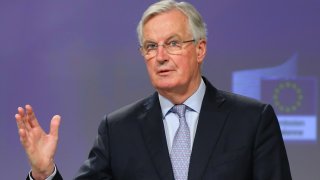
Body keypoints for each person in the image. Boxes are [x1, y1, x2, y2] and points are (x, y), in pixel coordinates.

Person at [15, 0, 292, 179]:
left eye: (172, 43)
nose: (160, 56)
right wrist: (44, 173)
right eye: (150, 47)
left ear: (200, 49)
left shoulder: (252, 120)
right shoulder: (119, 129)